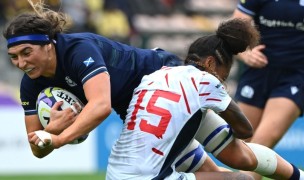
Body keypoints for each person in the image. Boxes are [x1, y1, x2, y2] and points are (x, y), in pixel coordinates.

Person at [3, 0, 222, 173]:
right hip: (135, 109)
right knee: (233, 159)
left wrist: (59, 138)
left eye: (26, 52)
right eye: (13, 57)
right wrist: (50, 132)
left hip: (162, 80)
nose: (21, 64)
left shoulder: (78, 50)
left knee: (138, 174)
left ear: (48, 45)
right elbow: (37, 150)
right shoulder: (30, 85)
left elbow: (100, 106)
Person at [106, 18, 304, 180]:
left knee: (216, 168)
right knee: (242, 179)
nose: (223, 80)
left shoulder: (156, 75)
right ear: (210, 63)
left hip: (116, 172)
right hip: (153, 176)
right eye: (223, 74)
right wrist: (224, 119)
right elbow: (245, 130)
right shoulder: (206, 81)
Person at [232, 1, 304, 179]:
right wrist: (246, 54)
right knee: (242, 144)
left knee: (262, 142)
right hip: (257, 74)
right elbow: (236, 28)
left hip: (296, 76)